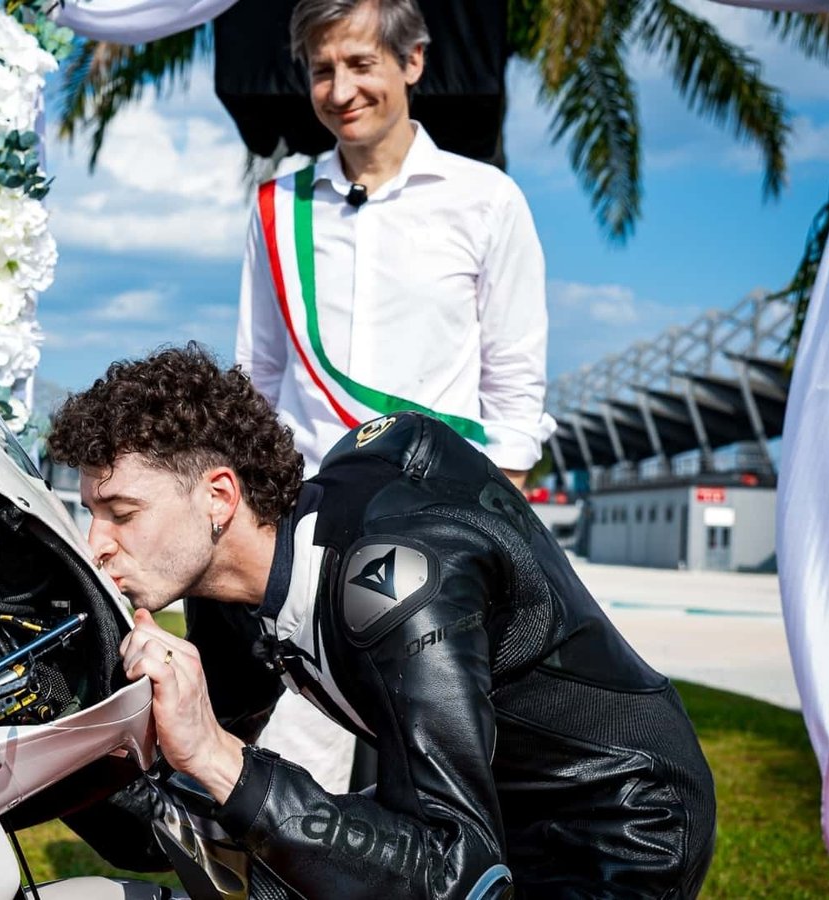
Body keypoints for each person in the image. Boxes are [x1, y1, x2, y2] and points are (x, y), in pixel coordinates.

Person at [47, 345, 715, 899]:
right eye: (91, 513)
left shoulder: (392, 580)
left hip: (613, 826)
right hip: (485, 812)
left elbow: (457, 872)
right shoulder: (229, 595)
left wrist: (220, 757)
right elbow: (172, 824)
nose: (96, 543)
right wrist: (51, 720)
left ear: (219, 496)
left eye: (122, 513)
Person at [237, 0, 558, 797]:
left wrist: (496, 521)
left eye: (360, 64)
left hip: (440, 520)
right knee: (298, 775)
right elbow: (259, 373)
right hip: (310, 522)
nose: (340, 90)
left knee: (444, 767)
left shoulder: (484, 199)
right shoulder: (278, 205)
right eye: (322, 70)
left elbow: (514, 376)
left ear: (411, 62)